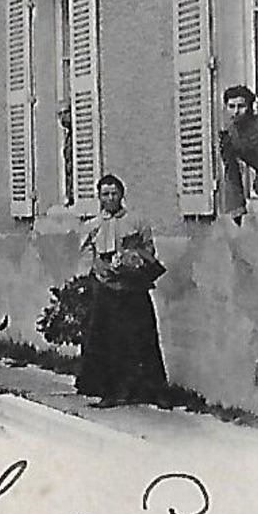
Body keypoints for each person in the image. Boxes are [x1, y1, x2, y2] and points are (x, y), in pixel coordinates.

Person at [76, 174, 172, 409]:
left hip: (132, 289)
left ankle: (152, 390)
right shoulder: (93, 225)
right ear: (99, 197)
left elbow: (149, 249)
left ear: (122, 194)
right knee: (106, 340)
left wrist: (133, 260)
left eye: (114, 193)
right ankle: (109, 392)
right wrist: (97, 271)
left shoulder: (136, 220)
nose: (110, 198)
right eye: (105, 194)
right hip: (106, 289)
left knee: (142, 337)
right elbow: (86, 255)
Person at [218, 84, 258, 223]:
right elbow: (231, 171)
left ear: (250, 107)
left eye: (241, 106)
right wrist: (237, 208)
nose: (236, 112)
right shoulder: (229, 137)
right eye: (231, 106)